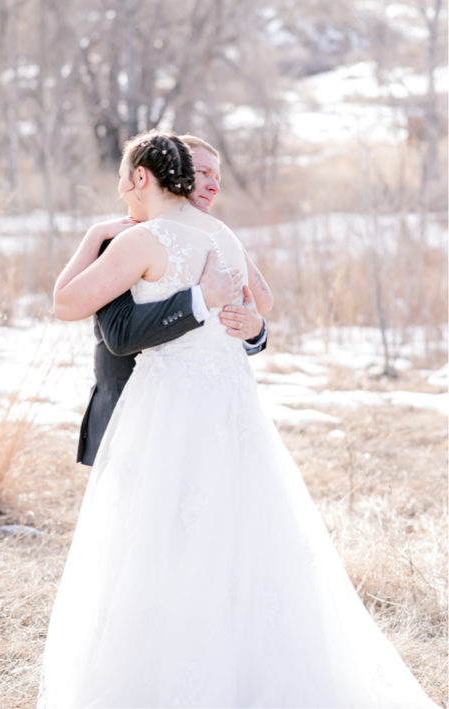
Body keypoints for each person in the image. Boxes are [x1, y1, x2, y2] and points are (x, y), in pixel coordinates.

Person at [41, 131, 437, 707]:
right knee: (237, 533)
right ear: (185, 176)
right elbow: (258, 301)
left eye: (126, 174)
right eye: (203, 172)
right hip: (229, 409)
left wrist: (235, 319)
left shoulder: (146, 238)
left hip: (168, 405)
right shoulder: (220, 235)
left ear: (142, 178)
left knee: (154, 538)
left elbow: (67, 305)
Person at [76, 135, 268, 466]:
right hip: (132, 407)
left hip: (209, 410)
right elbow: (120, 334)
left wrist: (256, 330)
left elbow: (260, 301)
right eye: (203, 173)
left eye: (217, 178)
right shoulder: (128, 240)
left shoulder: (215, 237)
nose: (213, 186)